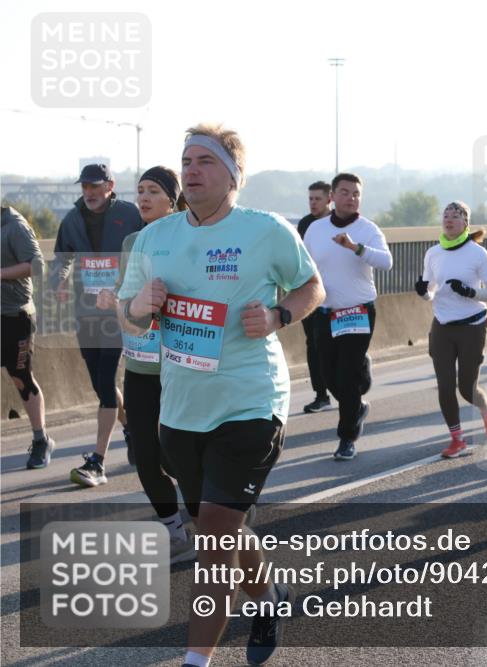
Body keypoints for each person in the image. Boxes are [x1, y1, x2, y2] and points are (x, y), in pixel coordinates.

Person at [118, 123, 324, 666]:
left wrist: (280, 314)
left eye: (205, 161)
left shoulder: (266, 230)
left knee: (212, 539)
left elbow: (312, 286)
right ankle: (268, 596)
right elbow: (128, 317)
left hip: (251, 402)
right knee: (221, 526)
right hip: (181, 409)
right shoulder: (153, 238)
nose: (191, 170)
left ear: (233, 176)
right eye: (186, 160)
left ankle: (196, 661)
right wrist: (142, 304)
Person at [97, 166, 195, 563]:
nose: (144, 197)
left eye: (153, 190)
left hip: (180, 365)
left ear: (172, 198)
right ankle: (174, 530)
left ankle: (214, 518)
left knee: (178, 453)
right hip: (140, 364)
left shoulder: (190, 237)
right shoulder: (132, 241)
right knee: (144, 452)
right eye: (140, 190)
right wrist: (114, 299)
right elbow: (126, 294)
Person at [52, 163, 143, 486]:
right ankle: (131, 427)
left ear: (110, 185)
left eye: (95, 186)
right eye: (85, 187)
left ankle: (98, 460)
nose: (89, 192)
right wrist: (58, 283)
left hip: (119, 311)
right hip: (86, 312)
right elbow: (61, 259)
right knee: (99, 383)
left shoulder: (130, 214)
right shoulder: (73, 219)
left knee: (106, 382)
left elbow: (146, 252)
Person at [303, 173, 393, 461]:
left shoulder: (367, 229)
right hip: (325, 312)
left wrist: (355, 248)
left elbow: (386, 262)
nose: (351, 198)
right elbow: (303, 265)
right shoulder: (316, 229)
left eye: (356, 193)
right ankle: (358, 401)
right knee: (329, 376)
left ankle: (347, 437)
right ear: (333, 197)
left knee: (346, 374)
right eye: (345, 192)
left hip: (358, 311)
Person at [416, 202, 487, 458]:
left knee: (467, 388)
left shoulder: (477, 254)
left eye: (456, 216)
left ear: (466, 222)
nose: (449, 219)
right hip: (442, 325)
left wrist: (469, 292)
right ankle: (457, 439)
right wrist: (423, 293)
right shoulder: (432, 253)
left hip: (472, 325)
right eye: (446, 215)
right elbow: (430, 290)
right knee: (444, 385)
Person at [1, 205, 55, 468]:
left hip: (15, 315)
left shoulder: (14, 225)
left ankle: (41, 439)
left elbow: (37, 265)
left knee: (20, 377)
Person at [297, 181, 334, 412]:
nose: (313, 203)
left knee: (335, 345)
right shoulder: (305, 224)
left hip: (336, 295)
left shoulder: (337, 223)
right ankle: (321, 394)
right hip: (310, 292)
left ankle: (355, 375)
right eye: (310, 198)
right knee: (313, 344)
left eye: (317, 199)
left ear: (329, 199)